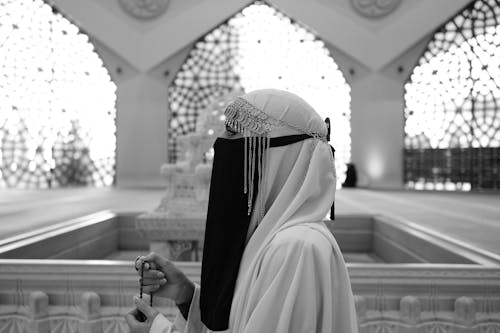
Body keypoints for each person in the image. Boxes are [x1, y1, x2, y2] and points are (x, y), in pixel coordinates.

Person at [126, 89, 358, 333]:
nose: (221, 143)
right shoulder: (271, 239)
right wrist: (187, 297)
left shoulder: (296, 248)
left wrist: (158, 331)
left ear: (275, 156)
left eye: (233, 131)